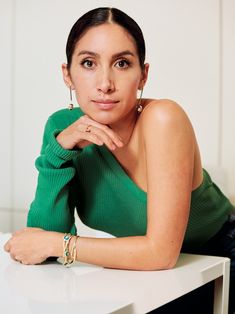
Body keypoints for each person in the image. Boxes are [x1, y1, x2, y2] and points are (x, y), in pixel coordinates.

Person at [3, 7, 235, 314]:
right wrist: (59, 152)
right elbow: (40, 238)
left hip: (218, 262)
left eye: (122, 63)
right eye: (88, 63)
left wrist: (56, 245)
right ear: (67, 74)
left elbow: (160, 253)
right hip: (151, 277)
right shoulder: (63, 128)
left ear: (143, 74)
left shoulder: (164, 119)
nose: (105, 83)